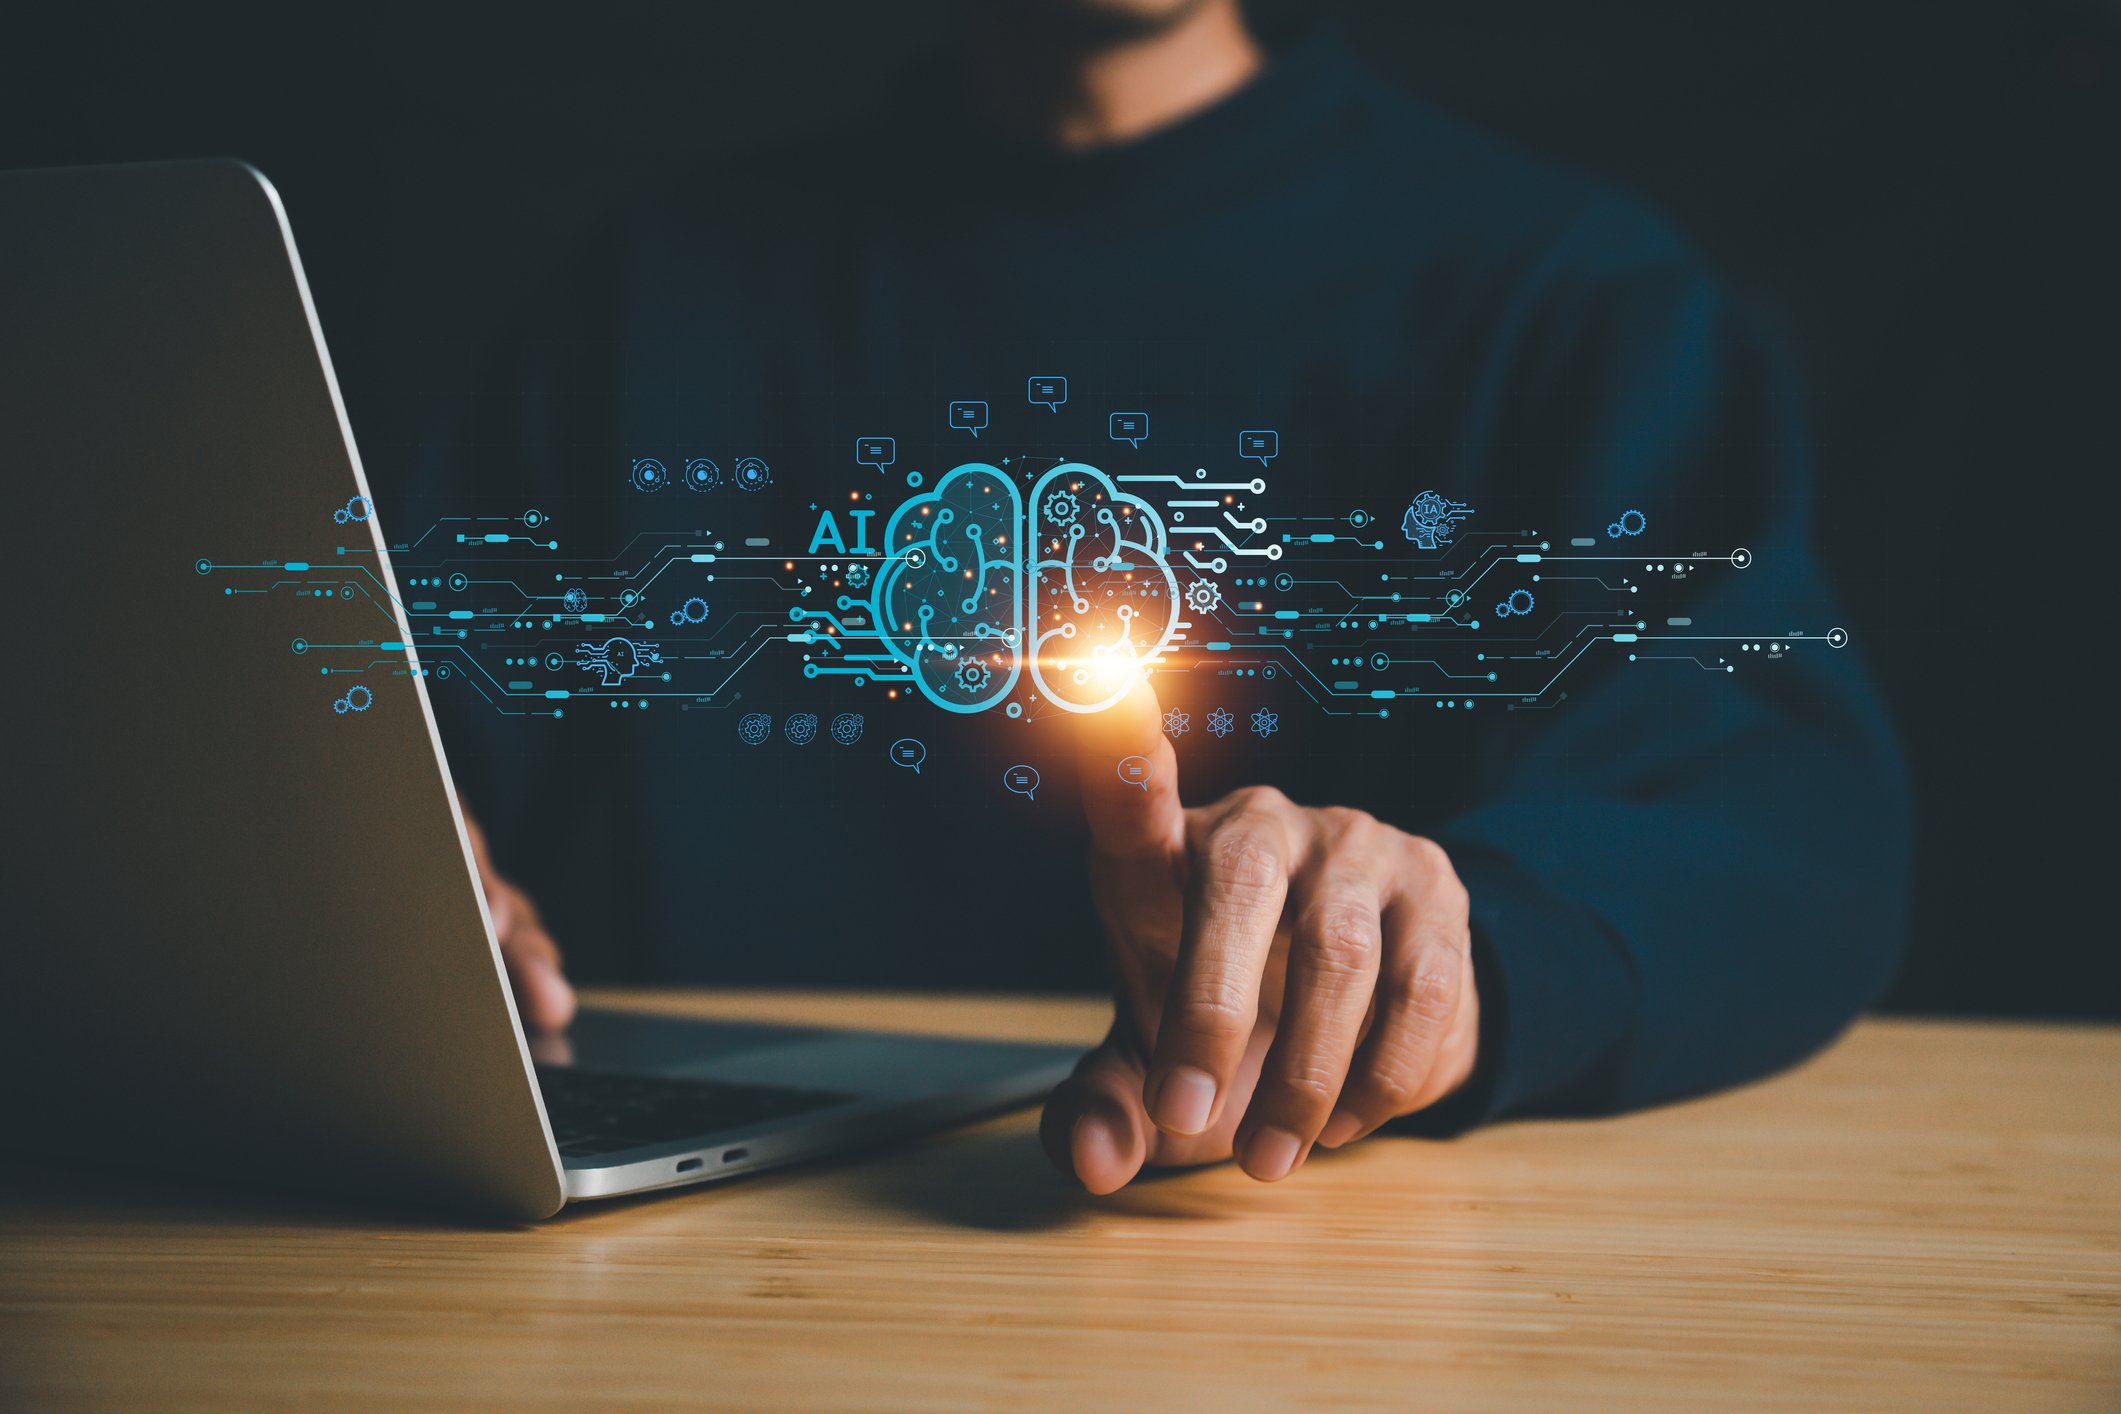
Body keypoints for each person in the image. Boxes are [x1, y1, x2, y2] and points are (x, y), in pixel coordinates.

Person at [407, 0, 1910, 1195]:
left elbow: (1774, 822)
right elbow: (393, 743)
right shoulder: (657, 295)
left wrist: (1449, 960)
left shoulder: (1571, 298)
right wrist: (401, 871)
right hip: (713, 1250)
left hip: (1310, 1267)